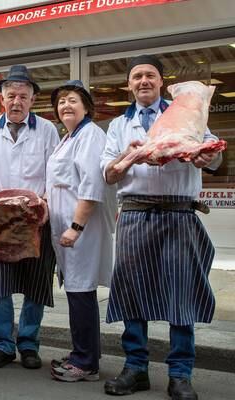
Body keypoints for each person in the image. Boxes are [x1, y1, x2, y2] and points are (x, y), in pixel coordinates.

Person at [101, 54, 223, 400]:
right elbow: (108, 175)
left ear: (160, 82)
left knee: (180, 295)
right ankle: (135, 368)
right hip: (135, 215)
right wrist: (127, 157)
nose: (143, 81)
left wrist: (206, 155)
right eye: (137, 76)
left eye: (150, 76)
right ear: (129, 85)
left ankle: (180, 374)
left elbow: (214, 158)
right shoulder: (118, 126)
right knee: (132, 294)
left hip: (180, 214)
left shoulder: (188, 110)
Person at [0, 65, 59, 370]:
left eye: (23, 95)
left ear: (33, 99)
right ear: (2, 98)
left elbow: (55, 172)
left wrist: (45, 201)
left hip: (36, 219)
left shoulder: (47, 130)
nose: (17, 101)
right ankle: (3, 344)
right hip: (0, 219)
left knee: (36, 284)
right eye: (11, 95)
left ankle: (29, 344)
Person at [46, 80, 117, 382]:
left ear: (87, 107)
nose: (66, 106)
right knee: (78, 291)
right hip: (66, 229)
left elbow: (91, 186)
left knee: (80, 293)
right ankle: (85, 354)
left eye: (73, 100)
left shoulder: (90, 135)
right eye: (61, 102)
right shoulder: (69, 137)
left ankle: (85, 363)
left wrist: (76, 227)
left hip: (80, 230)